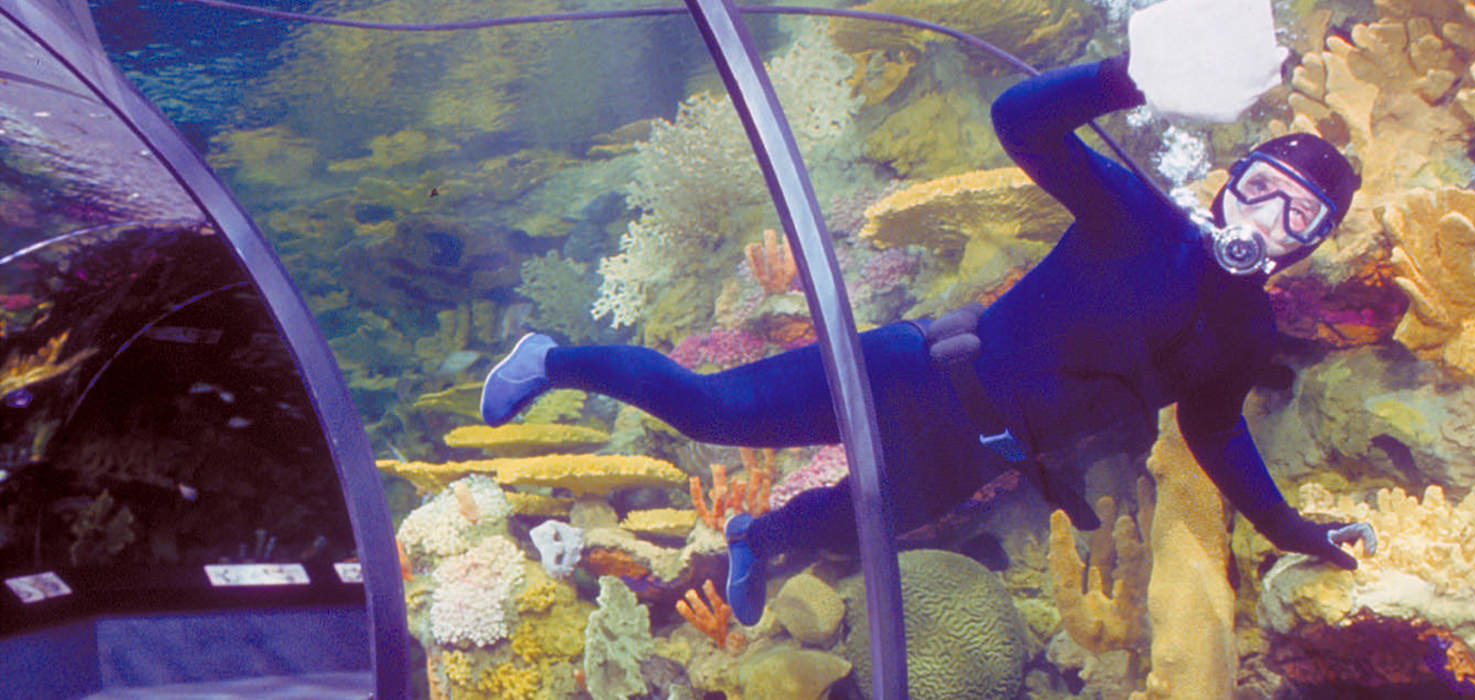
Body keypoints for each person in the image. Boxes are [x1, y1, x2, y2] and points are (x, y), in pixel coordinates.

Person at [479, 1, 1364, 626]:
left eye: (1297, 215)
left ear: (1315, 242)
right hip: (915, 370)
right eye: (1258, 189)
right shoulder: (1137, 214)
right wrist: (1127, 78)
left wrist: (1290, 529)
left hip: (983, 456)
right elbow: (1020, 121)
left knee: (860, 521)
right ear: (1226, 183)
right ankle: (550, 359)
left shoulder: (1248, 331)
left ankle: (760, 531)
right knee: (714, 411)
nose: (1264, 220)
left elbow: (1216, 435)